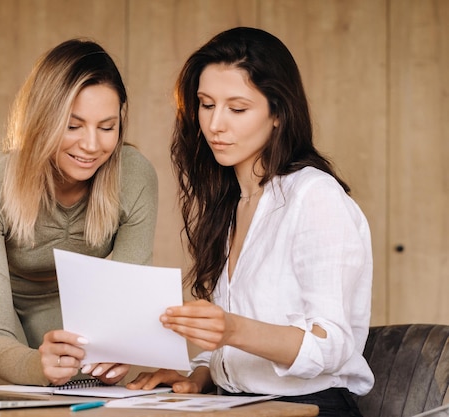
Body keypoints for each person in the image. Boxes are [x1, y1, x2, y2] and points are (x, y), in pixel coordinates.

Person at [127, 27, 373, 416]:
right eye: (206, 104)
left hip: (309, 408)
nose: (215, 125)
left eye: (237, 109)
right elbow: (240, 341)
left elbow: (331, 344)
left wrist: (232, 329)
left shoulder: (314, 195)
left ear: (278, 113)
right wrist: (201, 373)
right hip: (240, 405)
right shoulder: (234, 202)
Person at [0, 39, 158, 387]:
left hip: (55, 290)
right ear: (42, 118)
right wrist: (37, 367)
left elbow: (125, 308)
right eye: (72, 125)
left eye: (107, 127)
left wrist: (120, 348)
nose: (92, 145)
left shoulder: (134, 177)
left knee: (80, 375)